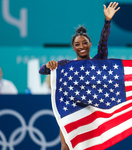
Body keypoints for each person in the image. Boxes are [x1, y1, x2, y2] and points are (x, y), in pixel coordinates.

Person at [39, 2, 120, 150]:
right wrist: (48, 65)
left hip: (90, 111)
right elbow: (42, 70)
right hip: (70, 110)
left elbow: (103, 42)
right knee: (66, 147)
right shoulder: (65, 65)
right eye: (77, 44)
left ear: (90, 45)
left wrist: (107, 21)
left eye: (84, 43)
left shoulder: (98, 61)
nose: (81, 46)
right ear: (73, 47)